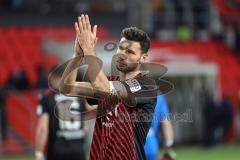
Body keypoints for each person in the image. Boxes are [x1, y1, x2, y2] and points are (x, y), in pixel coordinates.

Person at [59, 14, 159, 160]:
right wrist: (78, 55)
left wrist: (89, 50)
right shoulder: (108, 81)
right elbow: (67, 88)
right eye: (121, 48)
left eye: (130, 52)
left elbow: (104, 89)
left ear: (143, 58)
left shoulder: (146, 85)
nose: (122, 54)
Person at [35, 71, 89, 160]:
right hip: (78, 150)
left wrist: (39, 153)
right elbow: (85, 129)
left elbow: (42, 128)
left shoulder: (47, 97)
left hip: (58, 149)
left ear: (54, 79)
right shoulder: (79, 97)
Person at [144, 95, 175, 160]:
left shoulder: (133, 92)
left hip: (132, 140)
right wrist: (169, 145)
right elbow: (166, 123)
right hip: (150, 141)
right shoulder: (159, 97)